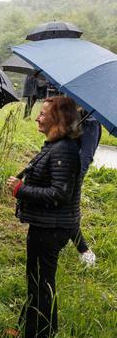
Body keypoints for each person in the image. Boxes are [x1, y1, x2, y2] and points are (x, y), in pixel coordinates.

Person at [6, 96, 81, 338]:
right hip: (43, 225)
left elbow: (59, 194)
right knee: (35, 280)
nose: (37, 117)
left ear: (58, 119)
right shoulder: (55, 146)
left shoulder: (65, 151)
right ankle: (29, 328)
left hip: (52, 229)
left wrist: (21, 190)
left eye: (43, 113)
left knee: (43, 284)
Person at [72, 110, 102, 266]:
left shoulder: (91, 122)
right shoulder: (76, 115)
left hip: (71, 177)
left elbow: (86, 156)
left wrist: (74, 180)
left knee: (69, 215)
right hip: (60, 172)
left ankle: (85, 252)